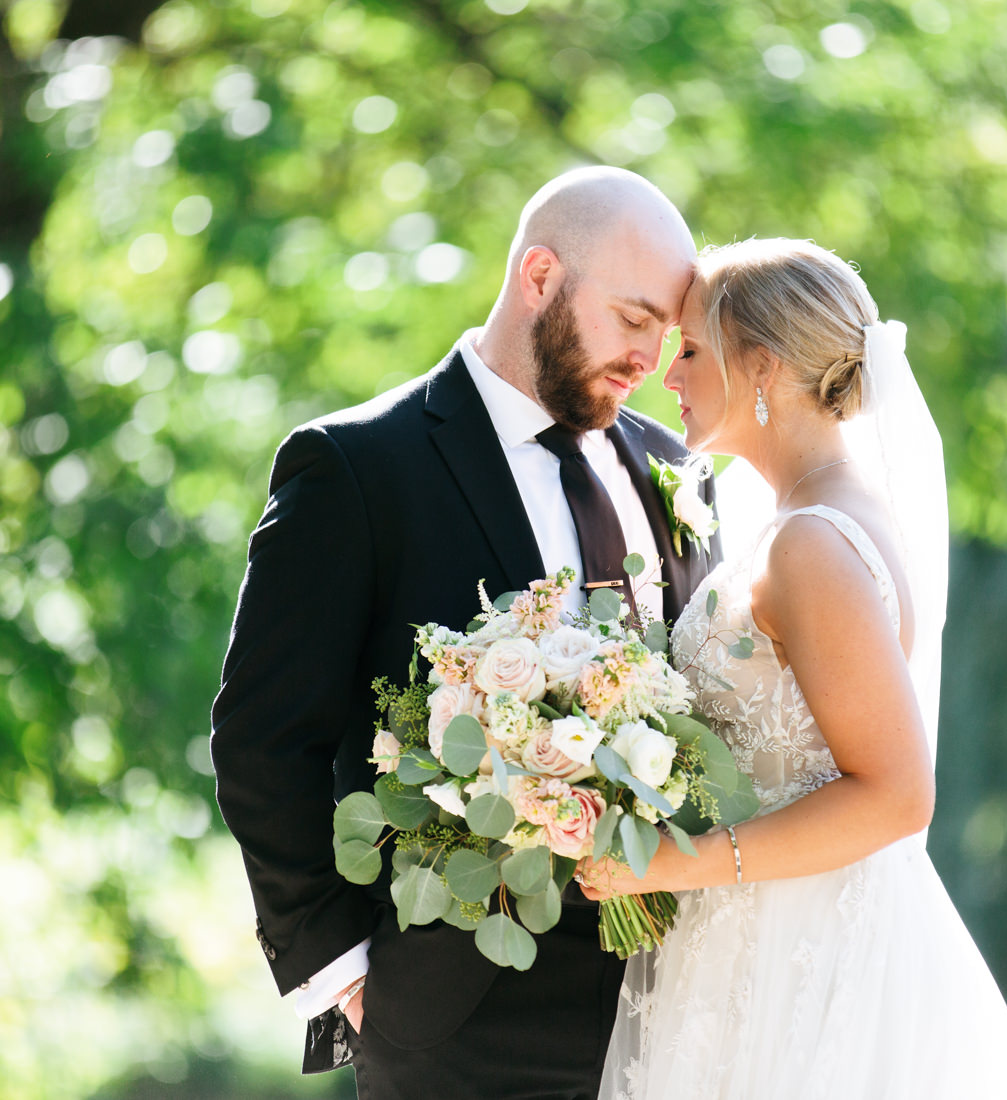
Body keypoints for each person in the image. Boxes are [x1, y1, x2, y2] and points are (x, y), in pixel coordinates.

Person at [210, 167, 719, 1099]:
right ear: (539, 276)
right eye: (634, 319)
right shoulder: (357, 467)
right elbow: (263, 741)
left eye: (668, 334)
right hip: (461, 1018)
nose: (650, 356)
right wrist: (346, 976)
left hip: (681, 1004)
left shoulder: (676, 468)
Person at [580, 239, 1007, 1097]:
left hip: (805, 950)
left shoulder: (814, 542)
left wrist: (676, 864)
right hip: (756, 932)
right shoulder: (803, 519)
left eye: (692, 351)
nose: (669, 376)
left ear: (762, 366)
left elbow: (898, 793)